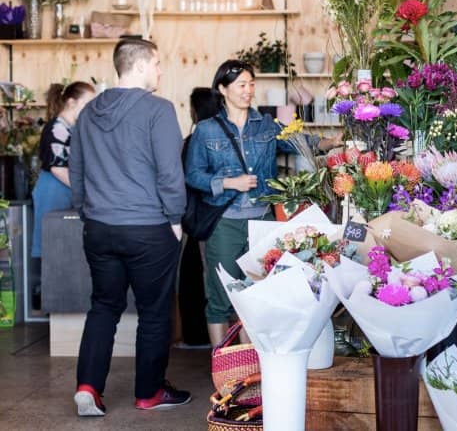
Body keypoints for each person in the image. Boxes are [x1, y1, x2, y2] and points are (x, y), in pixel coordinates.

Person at [70, 38, 189, 416]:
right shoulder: (158, 110)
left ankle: (88, 386)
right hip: (148, 228)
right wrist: (175, 218)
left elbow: (77, 171)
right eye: (157, 63)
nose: (160, 70)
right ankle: (149, 393)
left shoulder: (88, 113)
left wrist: (86, 212)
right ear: (138, 66)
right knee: (154, 312)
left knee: (103, 306)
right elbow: (170, 172)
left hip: (100, 228)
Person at [185, 59, 341, 346]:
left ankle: (254, 361)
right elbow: (193, 175)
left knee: (259, 293)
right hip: (226, 222)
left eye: (251, 84)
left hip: (263, 221)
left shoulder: (266, 126)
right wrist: (229, 183)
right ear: (223, 89)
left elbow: (298, 140)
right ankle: (223, 366)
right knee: (221, 296)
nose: (249, 90)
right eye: (241, 85)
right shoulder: (207, 130)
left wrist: (330, 142)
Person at [31, 81, 95, 260]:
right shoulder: (57, 128)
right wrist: (83, 190)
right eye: (87, 104)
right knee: (53, 245)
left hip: (66, 188)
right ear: (72, 102)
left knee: (65, 247)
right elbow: (58, 169)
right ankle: (50, 288)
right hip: (54, 189)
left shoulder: (72, 128)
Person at [178, 87, 220, 347]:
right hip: (218, 216)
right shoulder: (223, 139)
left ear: (195, 111)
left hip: (197, 219)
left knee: (195, 276)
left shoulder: (193, 141)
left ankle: (198, 336)